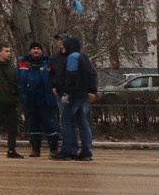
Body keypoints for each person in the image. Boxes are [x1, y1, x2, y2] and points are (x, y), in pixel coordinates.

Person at [50, 33, 98, 161]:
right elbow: (91, 74)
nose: (62, 45)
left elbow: (71, 76)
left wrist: (66, 91)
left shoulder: (72, 57)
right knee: (83, 122)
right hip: (82, 94)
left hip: (72, 95)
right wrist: (91, 90)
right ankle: (86, 151)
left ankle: (68, 150)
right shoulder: (83, 57)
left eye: (64, 43)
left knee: (65, 121)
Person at [16, 41, 60, 157]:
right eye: (34, 49)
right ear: (30, 51)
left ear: (41, 50)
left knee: (50, 123)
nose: (36, 51)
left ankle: (54, 149)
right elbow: (18, 78)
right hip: (30, 98)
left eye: (38, 48)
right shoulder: (22, 62)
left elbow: (55, 77)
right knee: (32, 123)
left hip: (46, 97)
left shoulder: (49, 62)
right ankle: (35, 148)